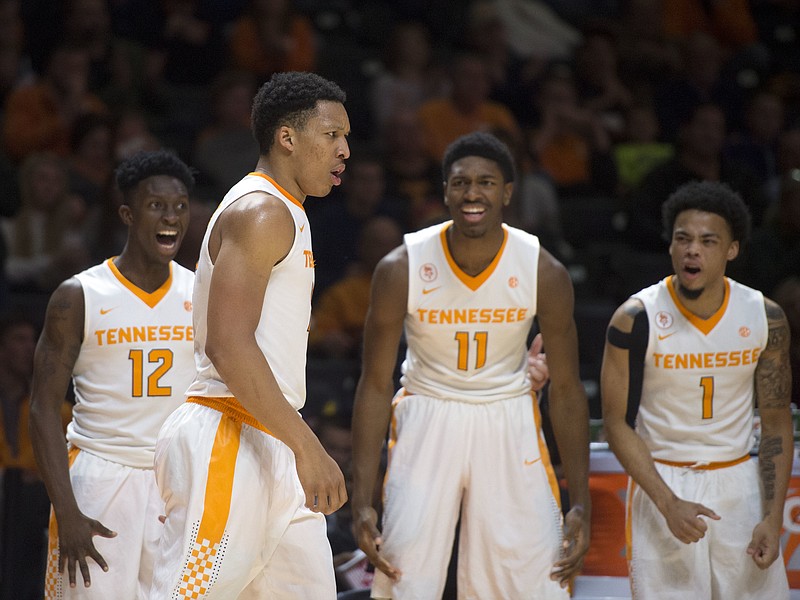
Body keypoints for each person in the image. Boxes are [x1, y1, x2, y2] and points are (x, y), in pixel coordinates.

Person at [351, 131, 591, 599]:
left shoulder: (543, 270)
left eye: (486, 182)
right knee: (405, 575)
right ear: (445, 191)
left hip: (506, 414)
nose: (472, 193)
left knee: (533, 577)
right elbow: (375, 385)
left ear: (506, 192)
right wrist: (361, 500)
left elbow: (566, 390)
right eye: (461, 183)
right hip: (428, 412)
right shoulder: (401, 266)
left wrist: (579, 500)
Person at [149, 71, 349, 599]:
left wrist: (295, 445)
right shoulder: (262, 212)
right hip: (229, 435)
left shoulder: (290, 212)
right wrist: (310, 447)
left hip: (273, 436)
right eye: (332, 136)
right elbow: (228, 345)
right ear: (287, 137)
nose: (345, 150)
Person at [600, 180, 792, 599]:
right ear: (670, 246)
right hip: (663, 478)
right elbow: (614, 424)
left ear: (732, 249)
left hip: (738, 480)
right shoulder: (635, 317)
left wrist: (772, 517)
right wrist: (667, 502)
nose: (693, 250)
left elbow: (776, 424)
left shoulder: (765, 316)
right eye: (683, 239)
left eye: (708, 241)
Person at [29, 149, 197, 599]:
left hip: (178, 479)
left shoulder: (201, 293)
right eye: (156, 205)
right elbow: (42, 408)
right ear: (127, 213)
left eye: (180, 206)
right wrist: (66, 510)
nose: (171, 217)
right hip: (101, 477)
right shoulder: (78, 295)